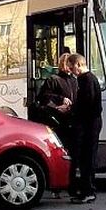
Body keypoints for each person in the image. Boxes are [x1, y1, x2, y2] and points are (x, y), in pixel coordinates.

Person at [36, 53, 78, 199]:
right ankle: (58, 187)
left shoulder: (75, 80)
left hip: (71, 119)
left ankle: (70, 183)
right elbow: (43, 97)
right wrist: (60, 100)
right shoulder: (53, 80)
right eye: (68, 64)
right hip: (59, 120)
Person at [67, 53, 102, 204]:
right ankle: (87, 190)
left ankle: (88, 191)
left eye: (71, 66)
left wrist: (73, 111)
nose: (70, 69)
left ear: (78, 65)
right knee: (86, 158)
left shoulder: (86, 80)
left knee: (86, 158)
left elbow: (87, 104)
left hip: (88, 124)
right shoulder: (90, 79)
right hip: (91, 122)